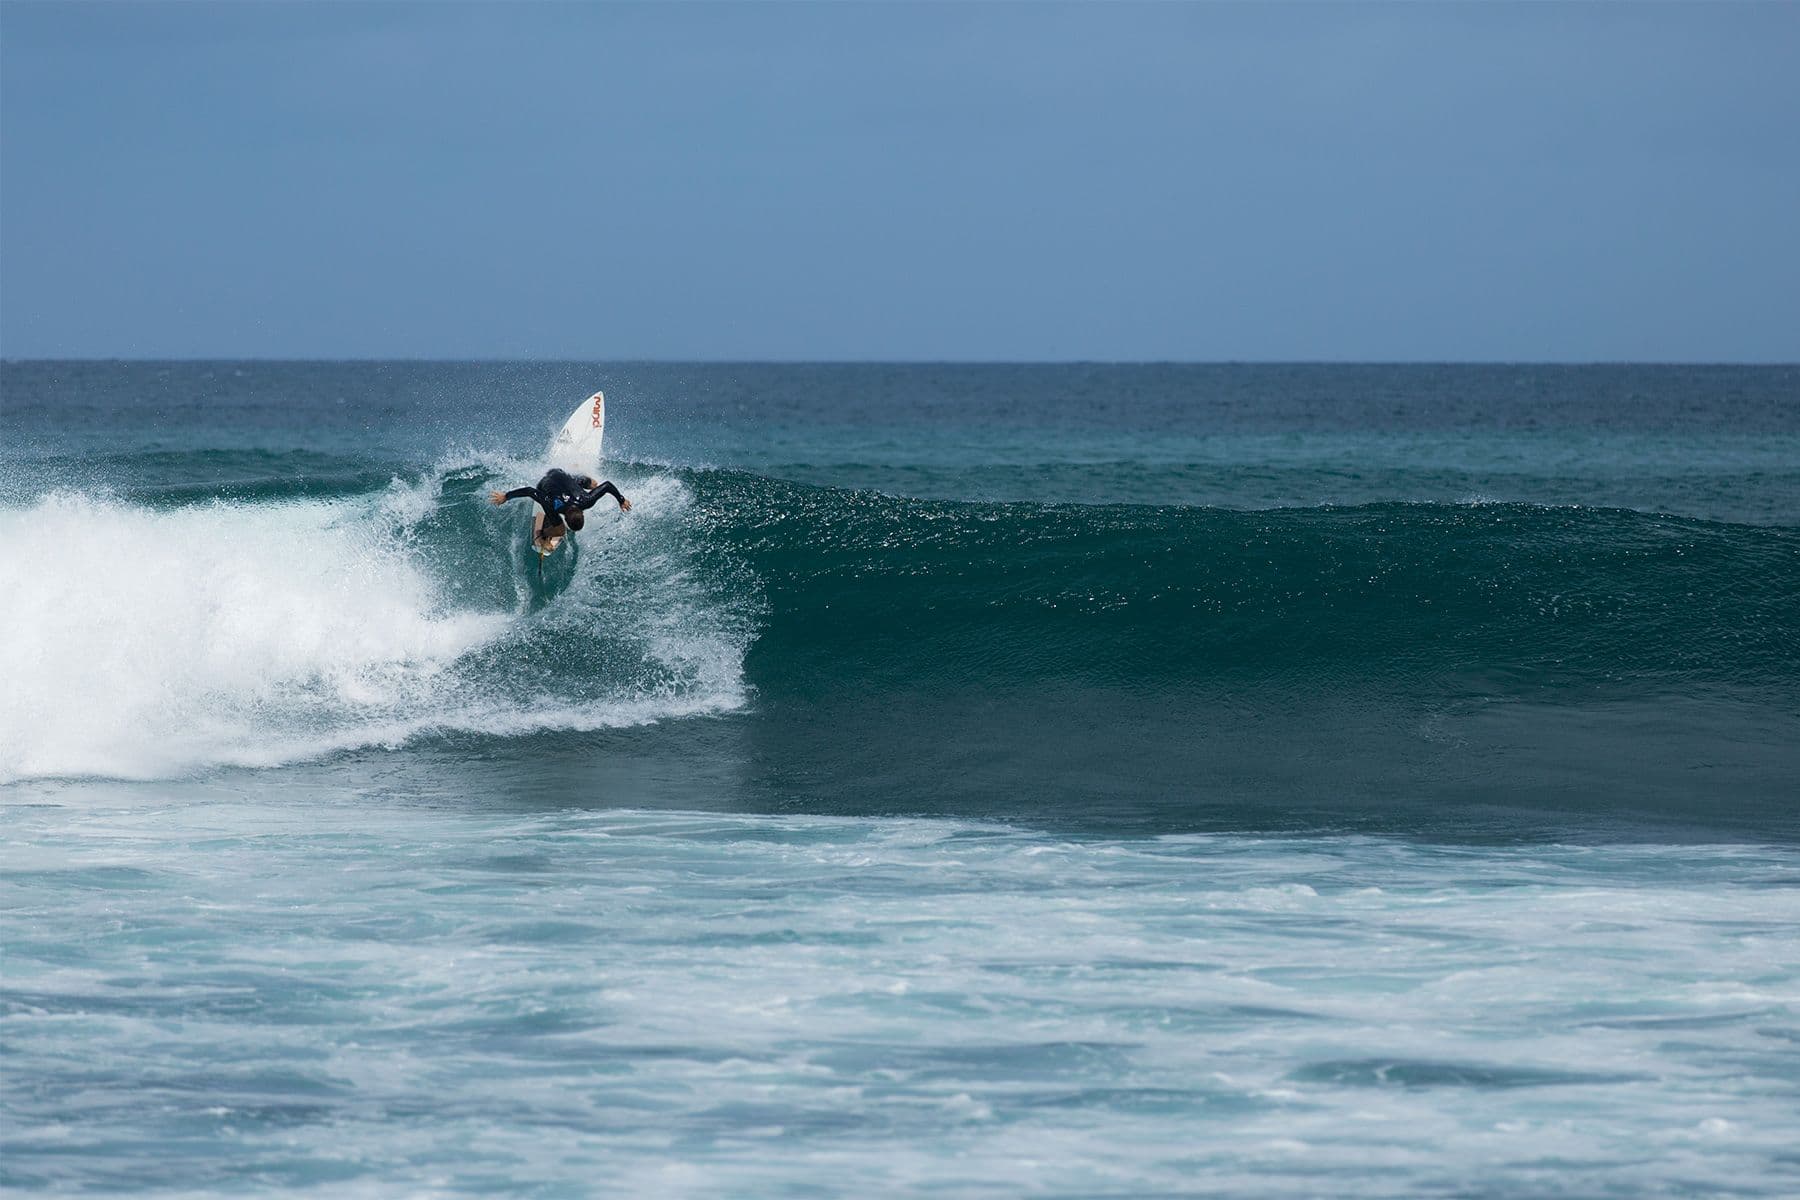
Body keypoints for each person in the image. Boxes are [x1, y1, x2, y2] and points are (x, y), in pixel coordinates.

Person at [489, 468, 631, 555]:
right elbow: (530, 491)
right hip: (545, 483)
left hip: (564, 475)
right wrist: (505, 496)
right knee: (560, 531)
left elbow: (606, 485)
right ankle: (542, 534)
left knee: (593, 483)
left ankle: (578, 472)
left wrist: (621, 500)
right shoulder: (552, 505)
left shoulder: (587, 500)